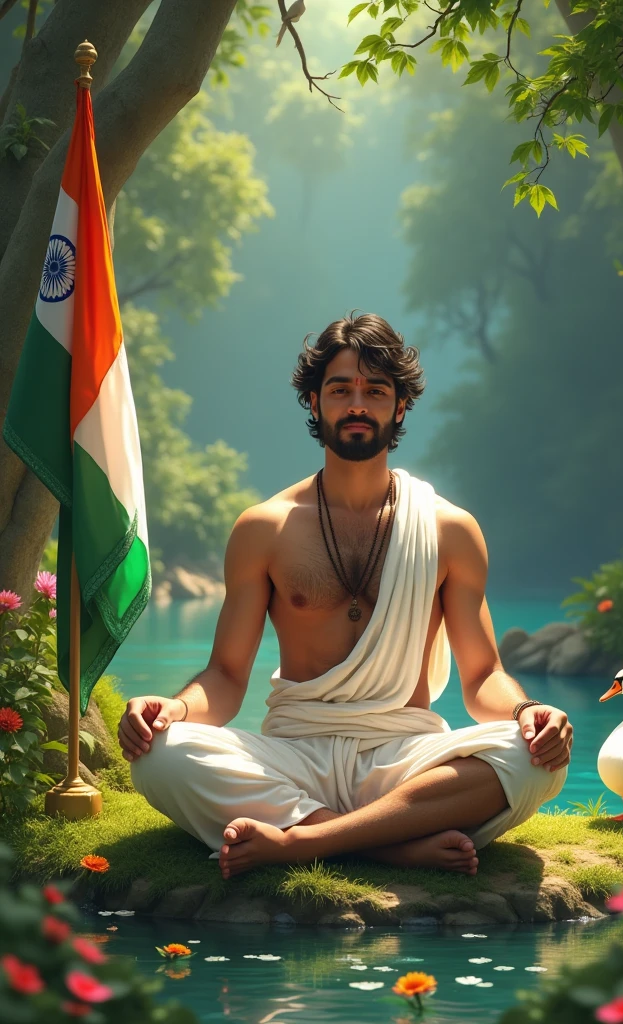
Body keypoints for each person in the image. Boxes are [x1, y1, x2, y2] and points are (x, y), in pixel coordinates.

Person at [122, 313, 572, 879]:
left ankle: (302, 839)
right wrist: (175, 708)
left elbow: (482, 678)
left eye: (375, 390)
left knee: (533, 761)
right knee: (161, 758)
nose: (357, 404)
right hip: (295, 752)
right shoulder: (266, 528)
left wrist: (532, 713)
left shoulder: (448, 530)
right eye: (340, 389)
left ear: (399, 406)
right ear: (314, 402)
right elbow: (228, 676)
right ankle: (390, 844)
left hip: (403, 755)